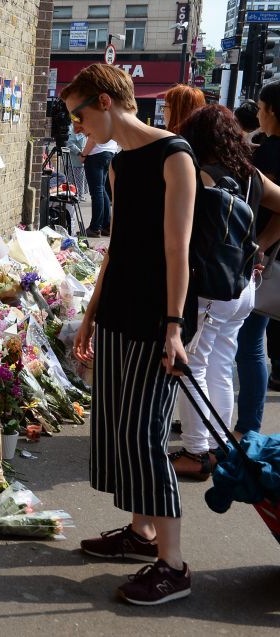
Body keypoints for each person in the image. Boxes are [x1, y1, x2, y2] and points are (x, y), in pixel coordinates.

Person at [65, 64, 197, 605]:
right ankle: (142, 534)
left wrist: (173, 326)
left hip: (154, 318)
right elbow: (116, 249)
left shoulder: (176, 156)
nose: (77, 127)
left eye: (79, 115)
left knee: (144, 436)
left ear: (104, 101)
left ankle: (175, 565)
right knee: (121, 427)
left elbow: (177, 251)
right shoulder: (120, 165)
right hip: (118, 312)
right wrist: (90, 315)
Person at [170, 105, 280, 478]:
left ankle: (197, 452)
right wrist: (261, 243)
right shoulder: (253, 177)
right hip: (244, 283)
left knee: (194, 364)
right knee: (220, 361)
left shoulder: (199, 174)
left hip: (210, 285)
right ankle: (218, 444)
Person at [236, 81, 280, 432]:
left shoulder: (270, 154)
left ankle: (246, 426)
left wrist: (260, 245)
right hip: (265, 255)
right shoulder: (266, 148)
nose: (259, 115)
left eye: (262, 109)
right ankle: (238, 422)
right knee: (249, 342)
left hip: (261, 257)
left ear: (273, 112)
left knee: (249, 344)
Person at [79, 126, 118, 237]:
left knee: (97, 192)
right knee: (101, 190)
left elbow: (93, 139)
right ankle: (106, 226)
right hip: (109, 153)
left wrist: (83, 154)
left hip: (96, 155)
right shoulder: (111, 117)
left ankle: (95, 227)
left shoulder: (97, 116)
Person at [66, 124, 89, 199]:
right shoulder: (72, 127)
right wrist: (80, 153)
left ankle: (79, 195)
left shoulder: (84, 126)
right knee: (75, 179)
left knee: (81, 178)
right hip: (75, 160)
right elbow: (69, 144)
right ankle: (76, 195)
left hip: (82, 159)